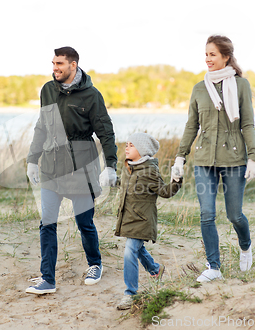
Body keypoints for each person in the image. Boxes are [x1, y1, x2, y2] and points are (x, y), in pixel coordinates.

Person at [25, 47, 118, 294]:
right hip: (51, 167)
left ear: (73, 65)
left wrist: (110, 165)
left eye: (59, 64)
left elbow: (106, 132)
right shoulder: (47, 90)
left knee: (83, 222)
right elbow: (41, 126)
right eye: (53, 63)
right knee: (47, 223)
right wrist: (32, 159)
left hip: (81, 167)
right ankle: (48, 278)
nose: (54, 68)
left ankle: (95, 264)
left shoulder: (91, 95)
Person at [172, 35, 255, 282]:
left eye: (212, 54)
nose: (207, 59)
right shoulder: (199, 88)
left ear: (226, 57)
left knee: (235, 215)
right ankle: (213, 267)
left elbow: (248, 123)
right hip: (204, 160)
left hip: (234, 158)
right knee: (206, 214)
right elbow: (192, 125)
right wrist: (180, 157)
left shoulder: (241, 85)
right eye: (206, 54)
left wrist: (252, 157)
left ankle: (245, 245)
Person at [115, 133, 182, 310]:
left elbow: (165, 191)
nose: (126, 147)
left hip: (143, 220)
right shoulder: (129, 168)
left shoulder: (150, 171)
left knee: (130, 251)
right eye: (126, 144)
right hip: (129, 219)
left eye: (131, 145)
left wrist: (176, 180)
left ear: (142, 150)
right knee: (137, 248)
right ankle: (155, 269)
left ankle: (130, 294)